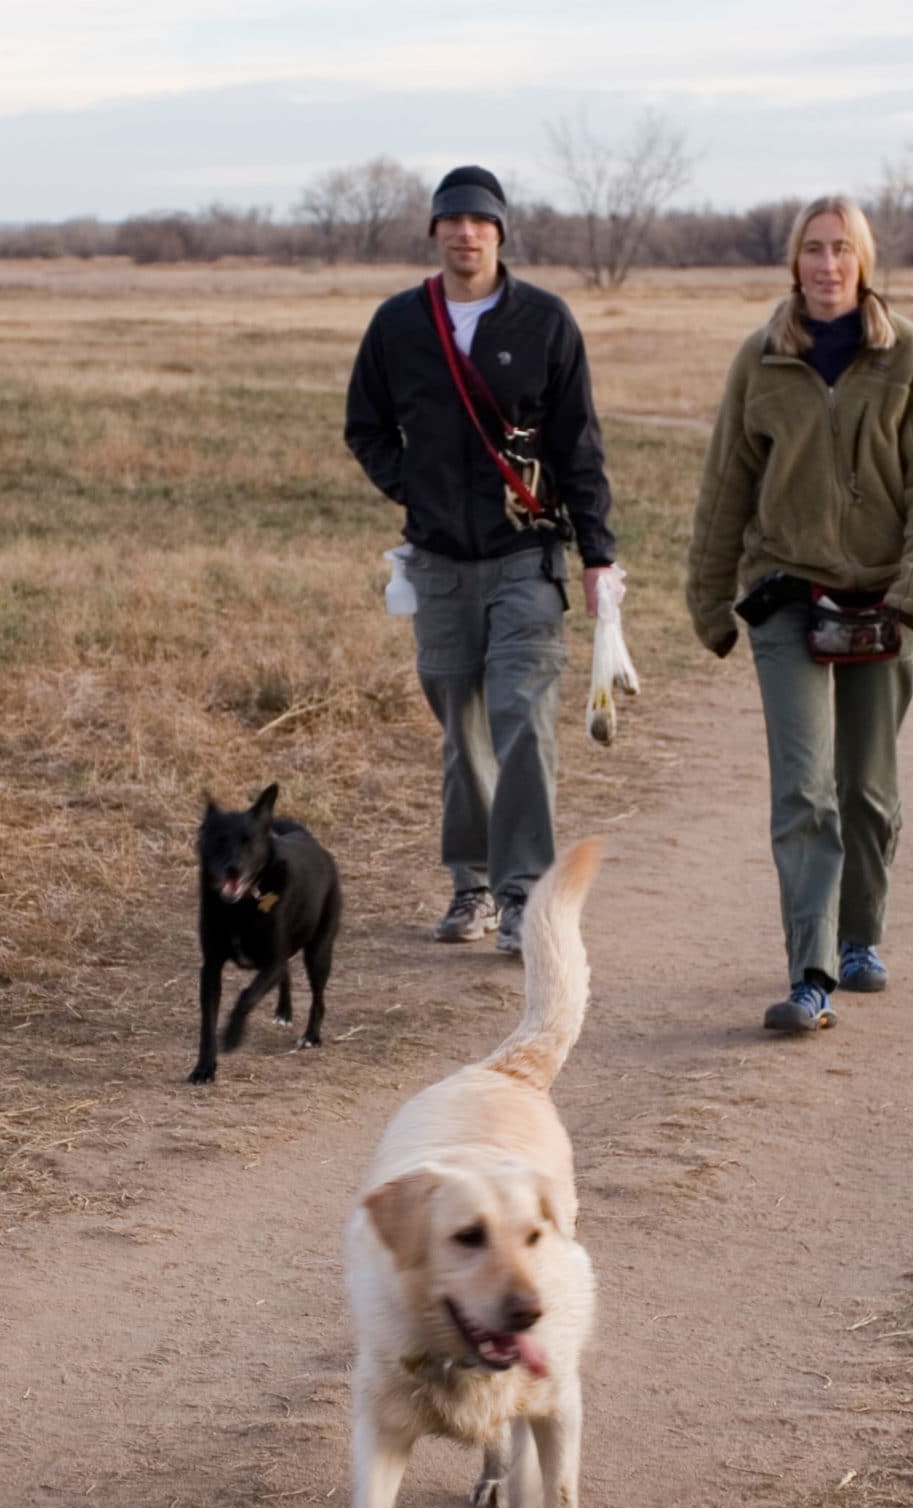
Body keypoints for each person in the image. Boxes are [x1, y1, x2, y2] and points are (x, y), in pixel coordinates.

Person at [684, 195, 913, 1034]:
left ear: (865, 261)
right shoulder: (761, 358)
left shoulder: (908, 355)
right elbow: (724, 488)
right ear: (793, 262)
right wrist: (709, 600)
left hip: (881, 602)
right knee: (805, 790)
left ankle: (860, 938)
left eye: (843, 249)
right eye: (813, 248)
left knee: (867, 790)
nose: (828, 264)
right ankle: (810, 973)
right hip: (787, 596)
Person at [344, 165, 621, 957]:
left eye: (480, 222)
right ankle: (470, 884)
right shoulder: (399, 323)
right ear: (435, 232)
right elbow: (364, 427)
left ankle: (523, 895)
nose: (466, 234)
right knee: (461, 731)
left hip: (525, 555)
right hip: (437, 564)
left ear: (501, 233)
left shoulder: (544, 321)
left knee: (523, 722)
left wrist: (598, 554)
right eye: (452, 221)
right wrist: (417, 492)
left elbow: (580, 445)